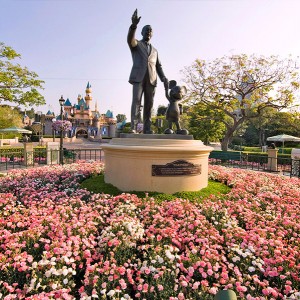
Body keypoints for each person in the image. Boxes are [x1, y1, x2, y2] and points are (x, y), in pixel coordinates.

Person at [127, 9, 168, 134]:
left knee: (149, 104)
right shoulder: (136, 44)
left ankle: (147, 127)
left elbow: (159, 66)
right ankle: (133, 127)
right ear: (142, 32)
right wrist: (133, 25)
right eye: (146, 30)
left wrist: (164, 78)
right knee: (136, 102)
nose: (148, 32)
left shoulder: (155, 50)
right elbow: (130, 39)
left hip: (152, 79)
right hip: (138, 77)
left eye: (150, 31)